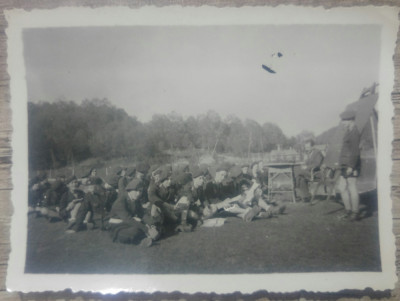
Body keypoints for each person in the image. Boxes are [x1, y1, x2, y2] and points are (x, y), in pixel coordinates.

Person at [336, 110, 361, 221]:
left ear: (351, 120)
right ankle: (348, 210)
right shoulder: (349, 131)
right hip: (345, 165)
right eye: (343, 120)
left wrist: (351, 166)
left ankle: (355, 213)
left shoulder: (354, 132)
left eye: (345, 120)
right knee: (342, 187)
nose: (343, 123)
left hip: (351, 164)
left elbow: (355, 151)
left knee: (352, 187)